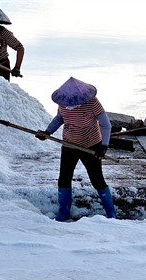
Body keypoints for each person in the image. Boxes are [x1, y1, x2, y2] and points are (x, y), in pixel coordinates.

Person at [35, 77, 115, 220]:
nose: (72, 104)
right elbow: (59, 119)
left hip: (91, 145)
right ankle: (63, 212)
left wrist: (104, 146)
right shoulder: (63, 103)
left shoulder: (92, 103)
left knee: (97, 179)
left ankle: (111, 213)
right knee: (64, 178)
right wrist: (47, 132)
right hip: (69, 145)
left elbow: (106, 125)